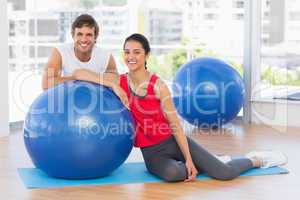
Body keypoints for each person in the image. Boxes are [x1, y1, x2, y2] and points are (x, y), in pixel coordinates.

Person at [72, 33, 288, 182]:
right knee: (174, 175)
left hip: (173, 141)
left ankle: (256, 159)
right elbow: (78, 73)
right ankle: (210, 161)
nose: (131, 57)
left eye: (137, 52)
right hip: (152, 153)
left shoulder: (158, 86)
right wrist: (112, 84)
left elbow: (175, 125)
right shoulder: (119, 81)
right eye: (127, 52)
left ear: (146, 55)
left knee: (225, 173)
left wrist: (189, 159)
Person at [42, 14, 117, 90]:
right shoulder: (60, 52)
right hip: (68, 98)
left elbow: (116, 81)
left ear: (95, 37)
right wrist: (75, 78)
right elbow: (46, 84)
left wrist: (85, 76)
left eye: (89, 35)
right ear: (73, 35)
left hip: (95, 99)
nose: (84, 39)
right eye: (79, 34)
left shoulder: (105, 55)